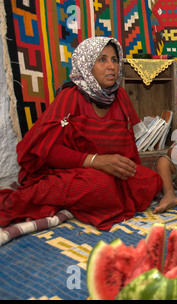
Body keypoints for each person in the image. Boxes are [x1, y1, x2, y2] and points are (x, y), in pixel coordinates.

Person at [0, 37, 162, 231]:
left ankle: (89, 198)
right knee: (101, 185)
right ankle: (54, 196)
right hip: (70, 170)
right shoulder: (71, 96)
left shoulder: (120, 97)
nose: (111, 66)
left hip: (108, 171)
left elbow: (127, 148)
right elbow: (48, 152)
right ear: (86, 65)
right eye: (102, 59)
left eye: (115, 59)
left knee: (152, 181)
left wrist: (120, 167)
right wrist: (96, 161)